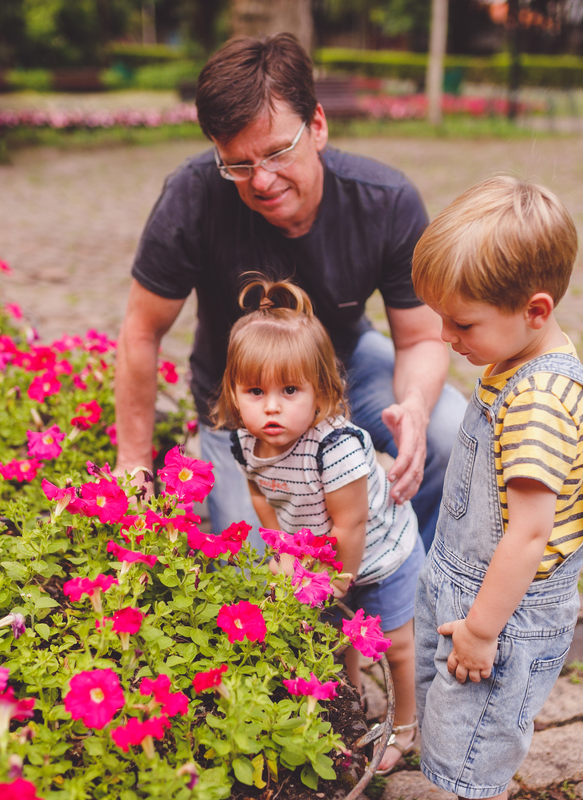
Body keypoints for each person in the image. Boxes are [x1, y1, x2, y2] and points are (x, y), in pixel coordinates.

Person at [113, 33, 467, 551]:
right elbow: (141, 332)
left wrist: (414, 406)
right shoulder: (192, 195)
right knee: (257, 561)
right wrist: (133, 464)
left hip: (345, 367)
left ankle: (414, 576)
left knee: (450, 435)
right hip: (241, 399)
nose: (261, 181)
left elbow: (420, 338)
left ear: (317, 125)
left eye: (278, 153)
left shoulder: (385, 201)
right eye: (238, 164)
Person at [409, 176, 583, 800]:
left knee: (472, 749)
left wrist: (480, 630)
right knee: (446, 726)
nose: (446, 336)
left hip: (500, 613)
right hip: (463, 586)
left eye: (462, 322)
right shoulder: (512, 358)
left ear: (535, 311)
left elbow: (528, 533)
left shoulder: (539, 401)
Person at [213, 277, 421, 774]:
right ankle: (351, 706)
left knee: (395, 645)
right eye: (255, 391)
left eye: (289, 390)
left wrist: (339, 582)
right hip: (320, 559)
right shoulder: (246, 443)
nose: (271, 406)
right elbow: (261, 493)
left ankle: (404, 724)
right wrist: (283, 548)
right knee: (335, 642)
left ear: (321, 391)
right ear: (234, 392)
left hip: (379, 554)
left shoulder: (335, 447)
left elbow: (350, 524)